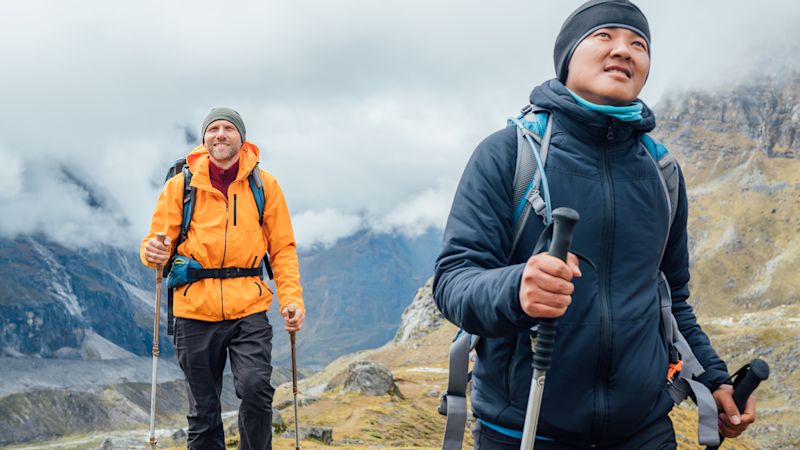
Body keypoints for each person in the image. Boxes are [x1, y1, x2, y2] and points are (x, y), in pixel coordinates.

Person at [433, 1, 756, 448]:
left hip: (644, 433)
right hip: (524, 432)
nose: (624, 50)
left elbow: (671, 298)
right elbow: (453, 281)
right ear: (567, 57)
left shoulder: (661, 172)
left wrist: (716, 379)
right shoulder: (510, 154)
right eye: (604, 36)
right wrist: (517, 288)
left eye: (638, 44)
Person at [141, 107, 305, 450]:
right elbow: (155, 242)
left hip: (248, 307)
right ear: (204, 139)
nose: (220, 134)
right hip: (194, 311)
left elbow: (283, 250)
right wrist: (151, 253)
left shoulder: (264, 185)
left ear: (241, 138)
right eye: (213, 128)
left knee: (257, 390)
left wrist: (292, 300)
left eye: (228, 128)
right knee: (203, 412)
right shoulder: (181, 186)